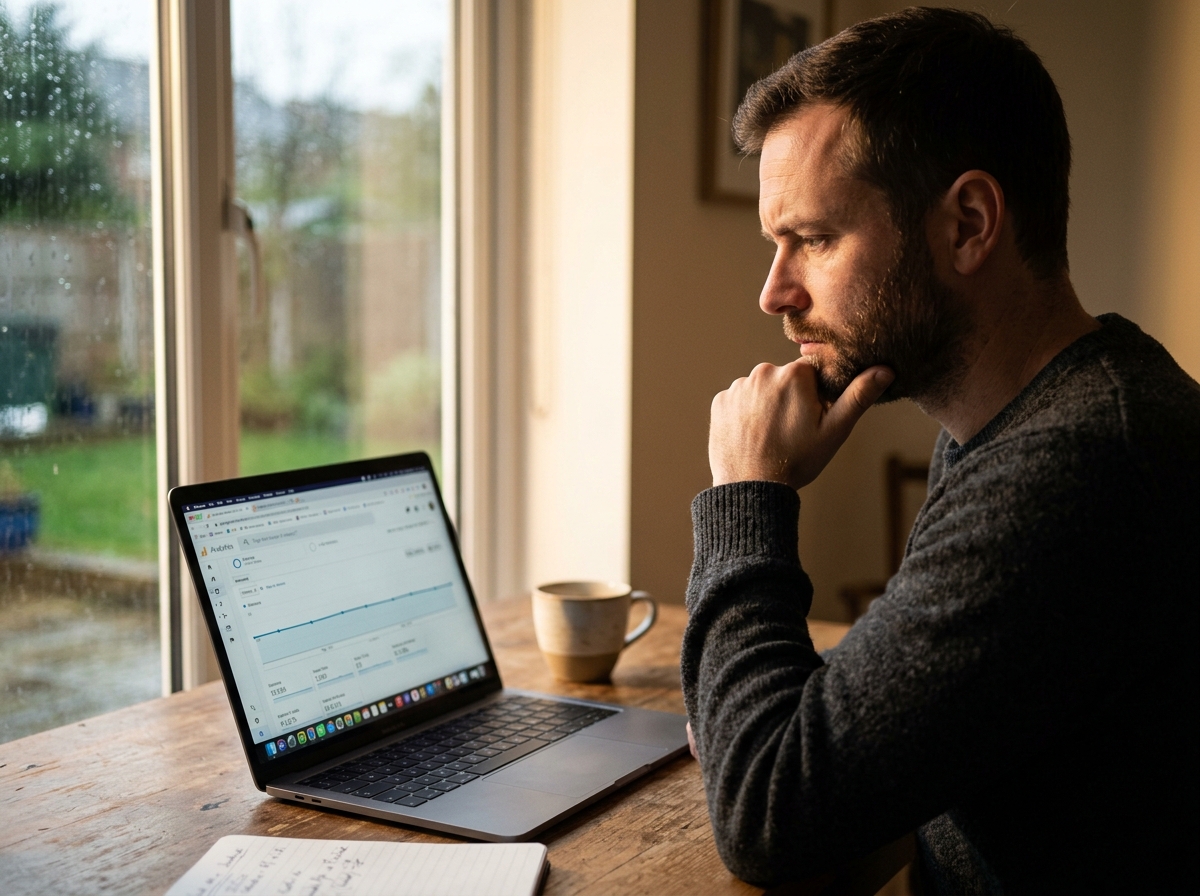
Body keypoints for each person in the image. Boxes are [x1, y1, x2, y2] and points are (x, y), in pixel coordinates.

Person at [680, 8, 1199, 893]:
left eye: (814, 238)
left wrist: (746, 494)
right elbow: (903, 703)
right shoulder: (1039, 413)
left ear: (967, 224)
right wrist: (765, 723)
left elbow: (769, 812)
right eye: (777, 244)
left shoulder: (1074, 466)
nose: (775, 292)